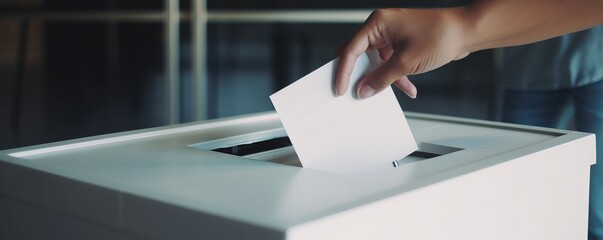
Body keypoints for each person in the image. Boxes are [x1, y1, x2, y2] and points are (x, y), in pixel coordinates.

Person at [335, 0, 603, 239]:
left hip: (594, 50)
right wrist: (459, 28)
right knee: (521, 187)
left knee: (597, 201)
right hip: (526, 59)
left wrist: (460, 28)